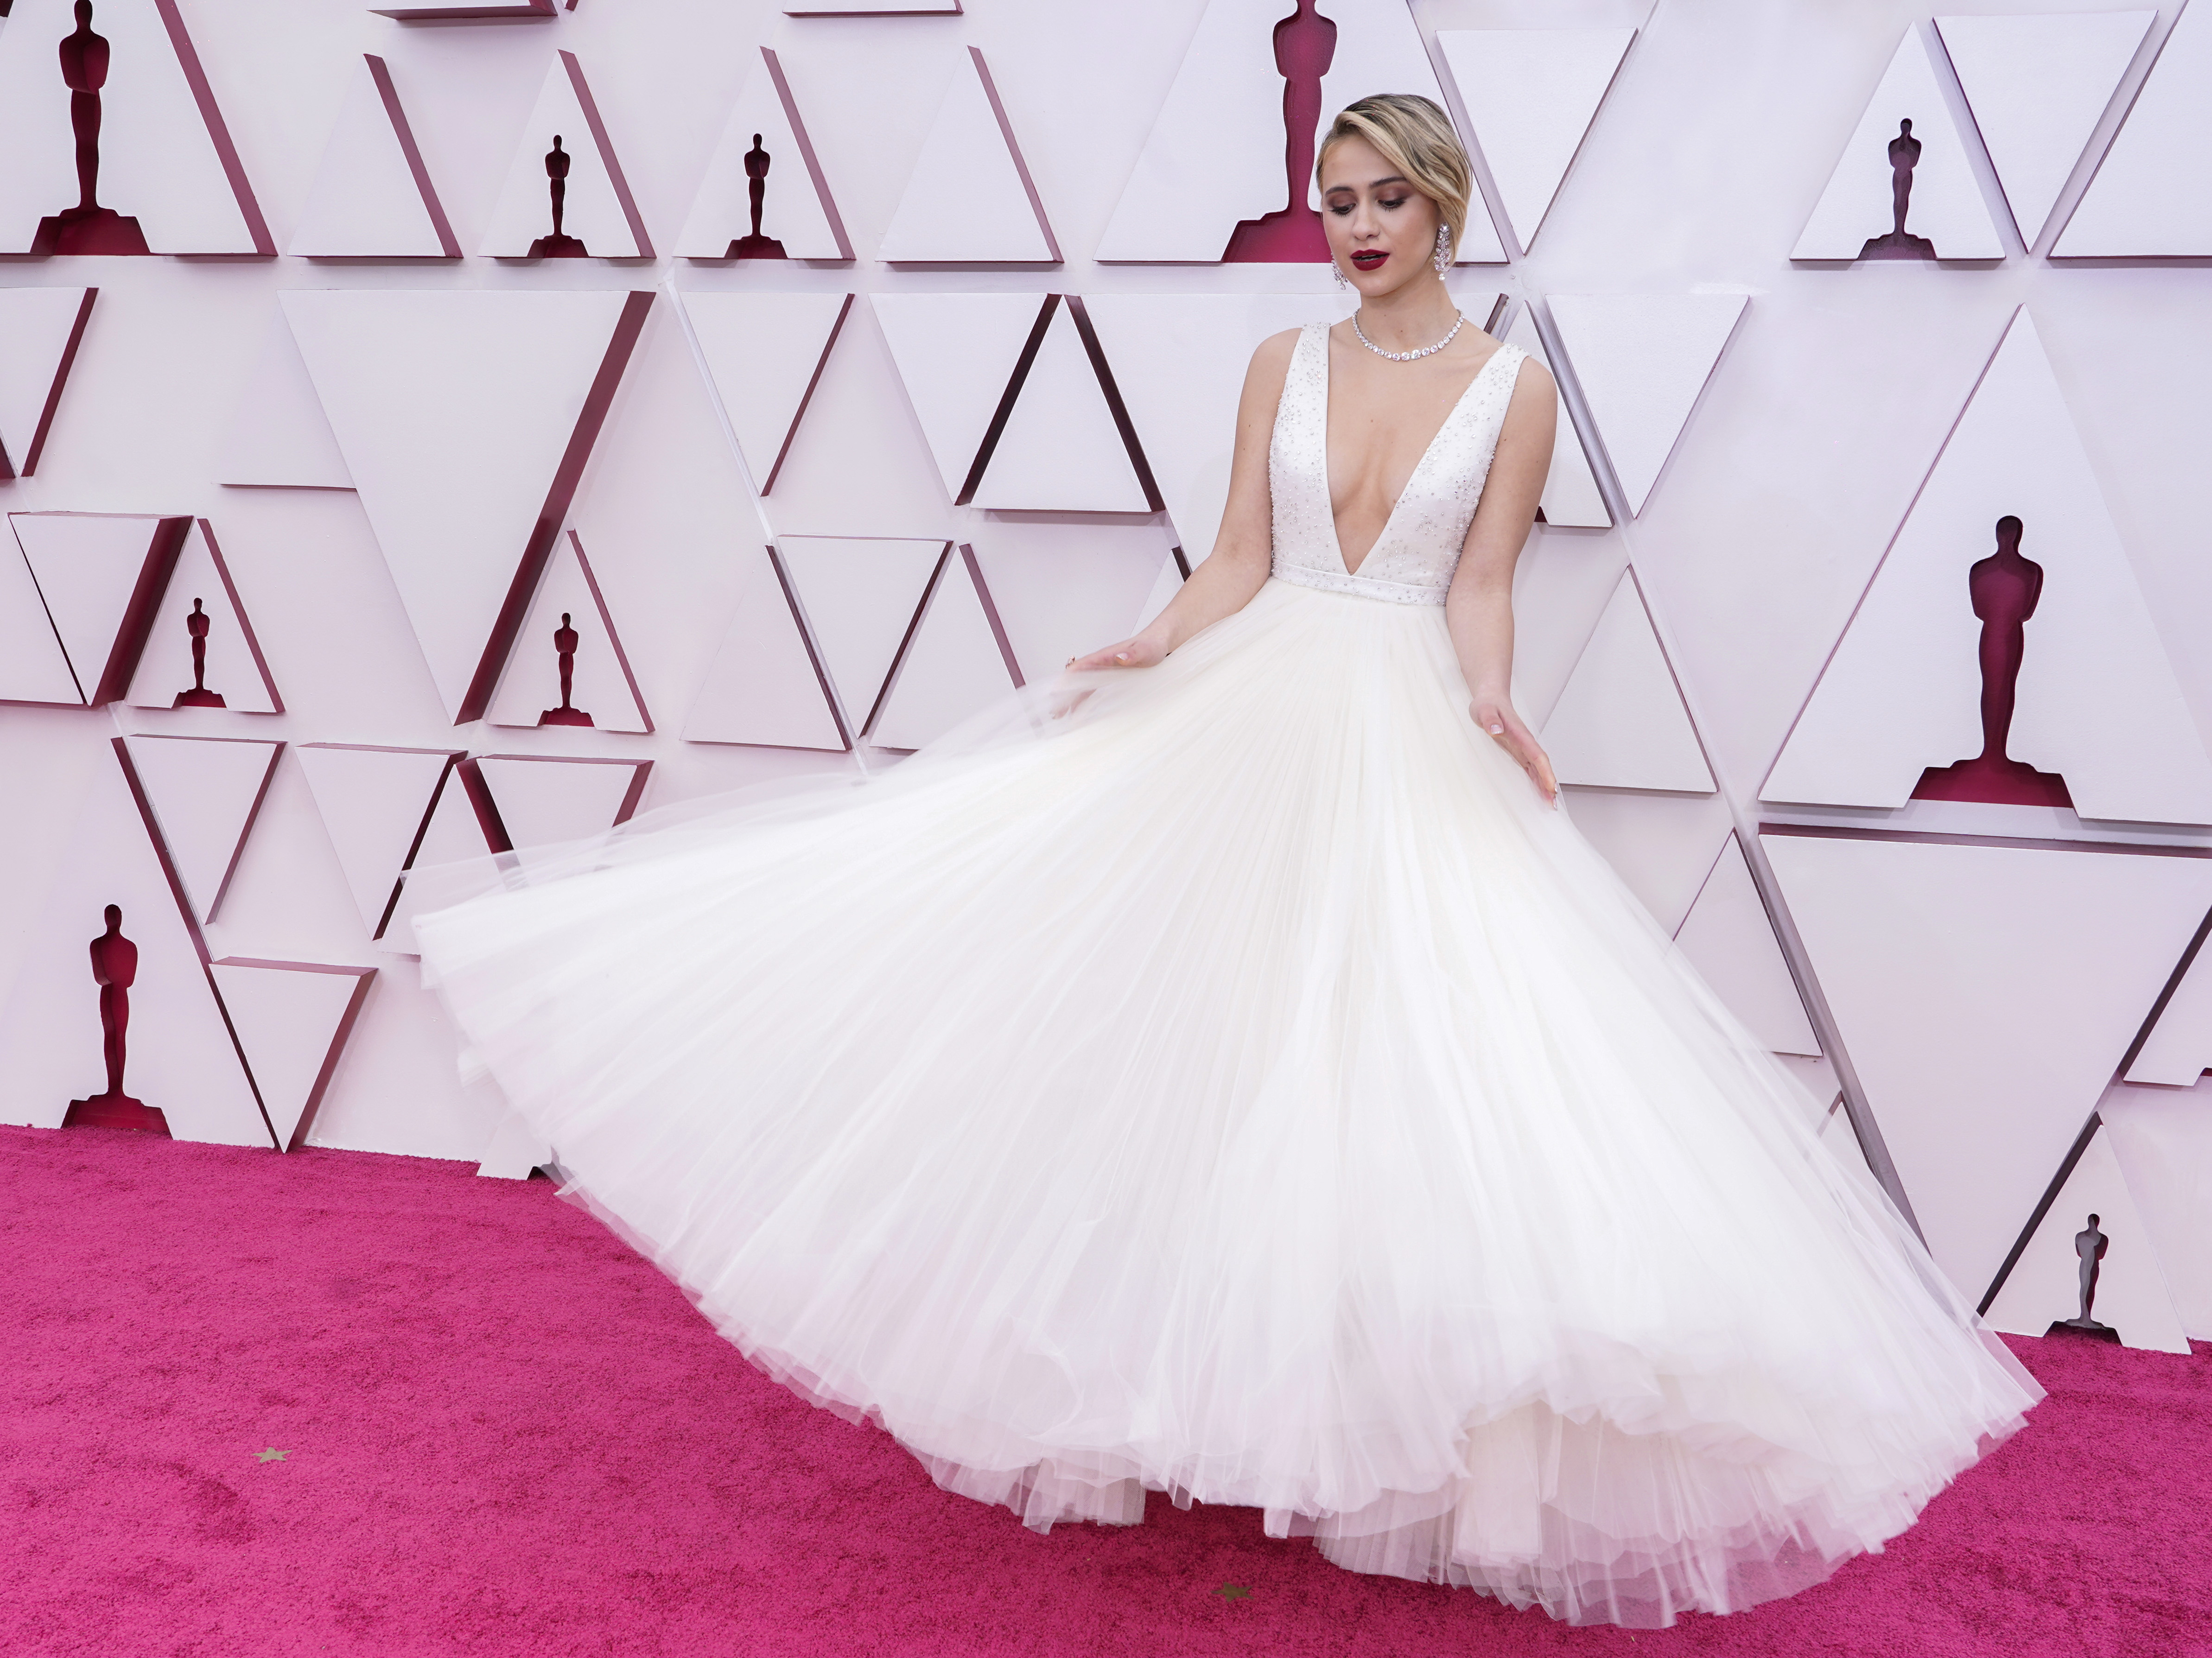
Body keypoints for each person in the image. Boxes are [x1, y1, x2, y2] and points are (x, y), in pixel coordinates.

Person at [414, 95, 2040, 1629]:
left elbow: (1482, 583)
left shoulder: (1515, 387)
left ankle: (1382, 1422)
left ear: (1443, 202)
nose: (1352, 225)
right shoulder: (1282, 360)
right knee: (1187, 1037)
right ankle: (1174, 1391)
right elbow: (1241, 560)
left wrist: (1491, 697)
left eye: (1383, 197)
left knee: (1406, 1063)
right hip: (1251, 703)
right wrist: (1148, 641)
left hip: (1407, 720)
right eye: (1334, 202)